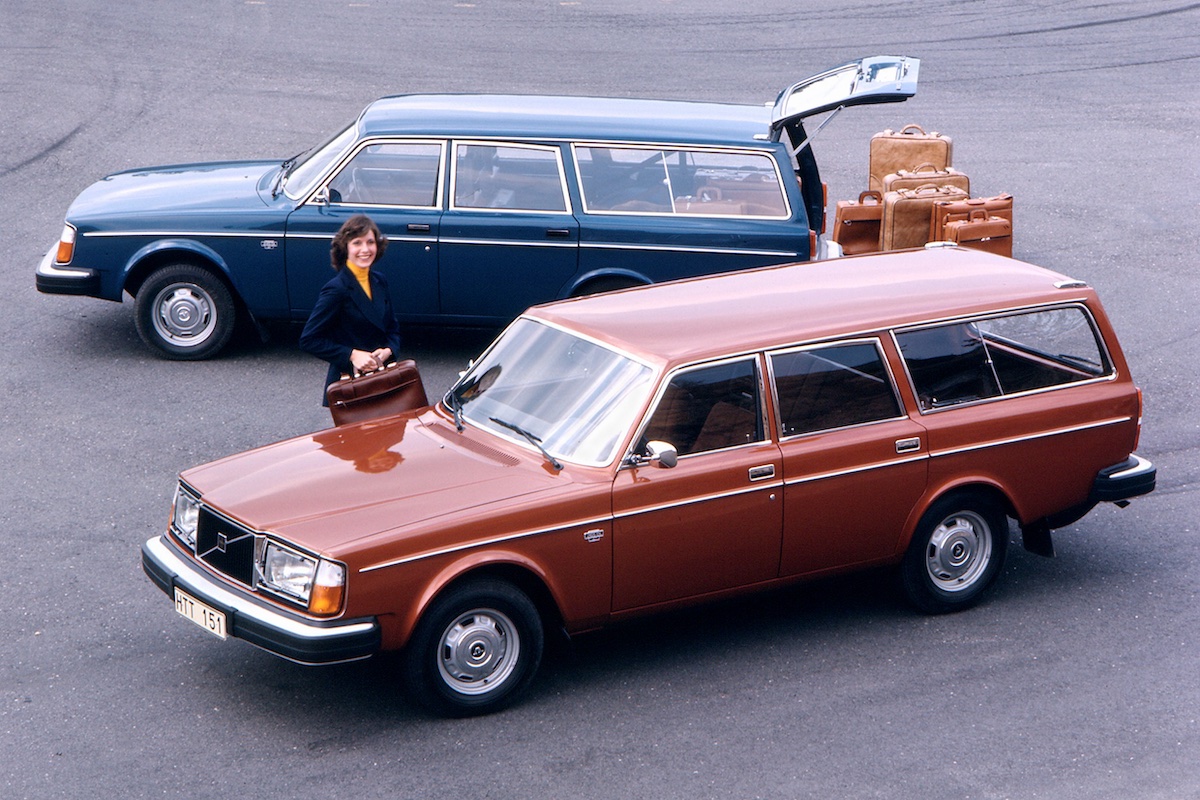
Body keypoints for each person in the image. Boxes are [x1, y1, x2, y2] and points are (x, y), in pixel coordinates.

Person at [300, 214, 403, 406]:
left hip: (382, 379)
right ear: (345, 248)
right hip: (351, 386)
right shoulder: (336, 289)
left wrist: (389, 350)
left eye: (370, 242)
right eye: (357, 243)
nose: (365, 249)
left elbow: (392, 329)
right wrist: (352, 355)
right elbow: (309, 340)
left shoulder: (379, 281)